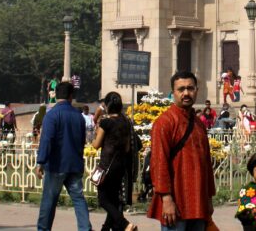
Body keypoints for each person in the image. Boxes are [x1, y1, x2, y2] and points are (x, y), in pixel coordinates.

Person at [149, 71, 215, 231]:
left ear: (196, 91)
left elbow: (206, 163)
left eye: (190, 88)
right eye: (181, 89)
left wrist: (208, 198)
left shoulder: (199, 124)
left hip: (198, 201)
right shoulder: (165, 122)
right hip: (175, 202)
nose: (186, 93)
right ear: (173, 93)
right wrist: (166, 199)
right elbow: (159, 162)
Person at [36, 81, 91, 231]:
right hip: (74, 164)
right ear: (71, 96)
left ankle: (43, 228)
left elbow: (46, 140)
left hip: (56, 165)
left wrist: (40, 162)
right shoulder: (78, 117)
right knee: (79, 199)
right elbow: (82, 142)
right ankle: (85, 228)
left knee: (49, 200)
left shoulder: (52, 115)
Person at [91, 92, 138, 231]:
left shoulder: (106, 122)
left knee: (103, 199)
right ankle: (106, 228)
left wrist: (95, 134)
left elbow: (96, 144)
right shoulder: (126, 122)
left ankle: (125, 224)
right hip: (120, 166)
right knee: (114, 200)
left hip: (106, 165)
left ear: (107, 105)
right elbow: (128, 147)